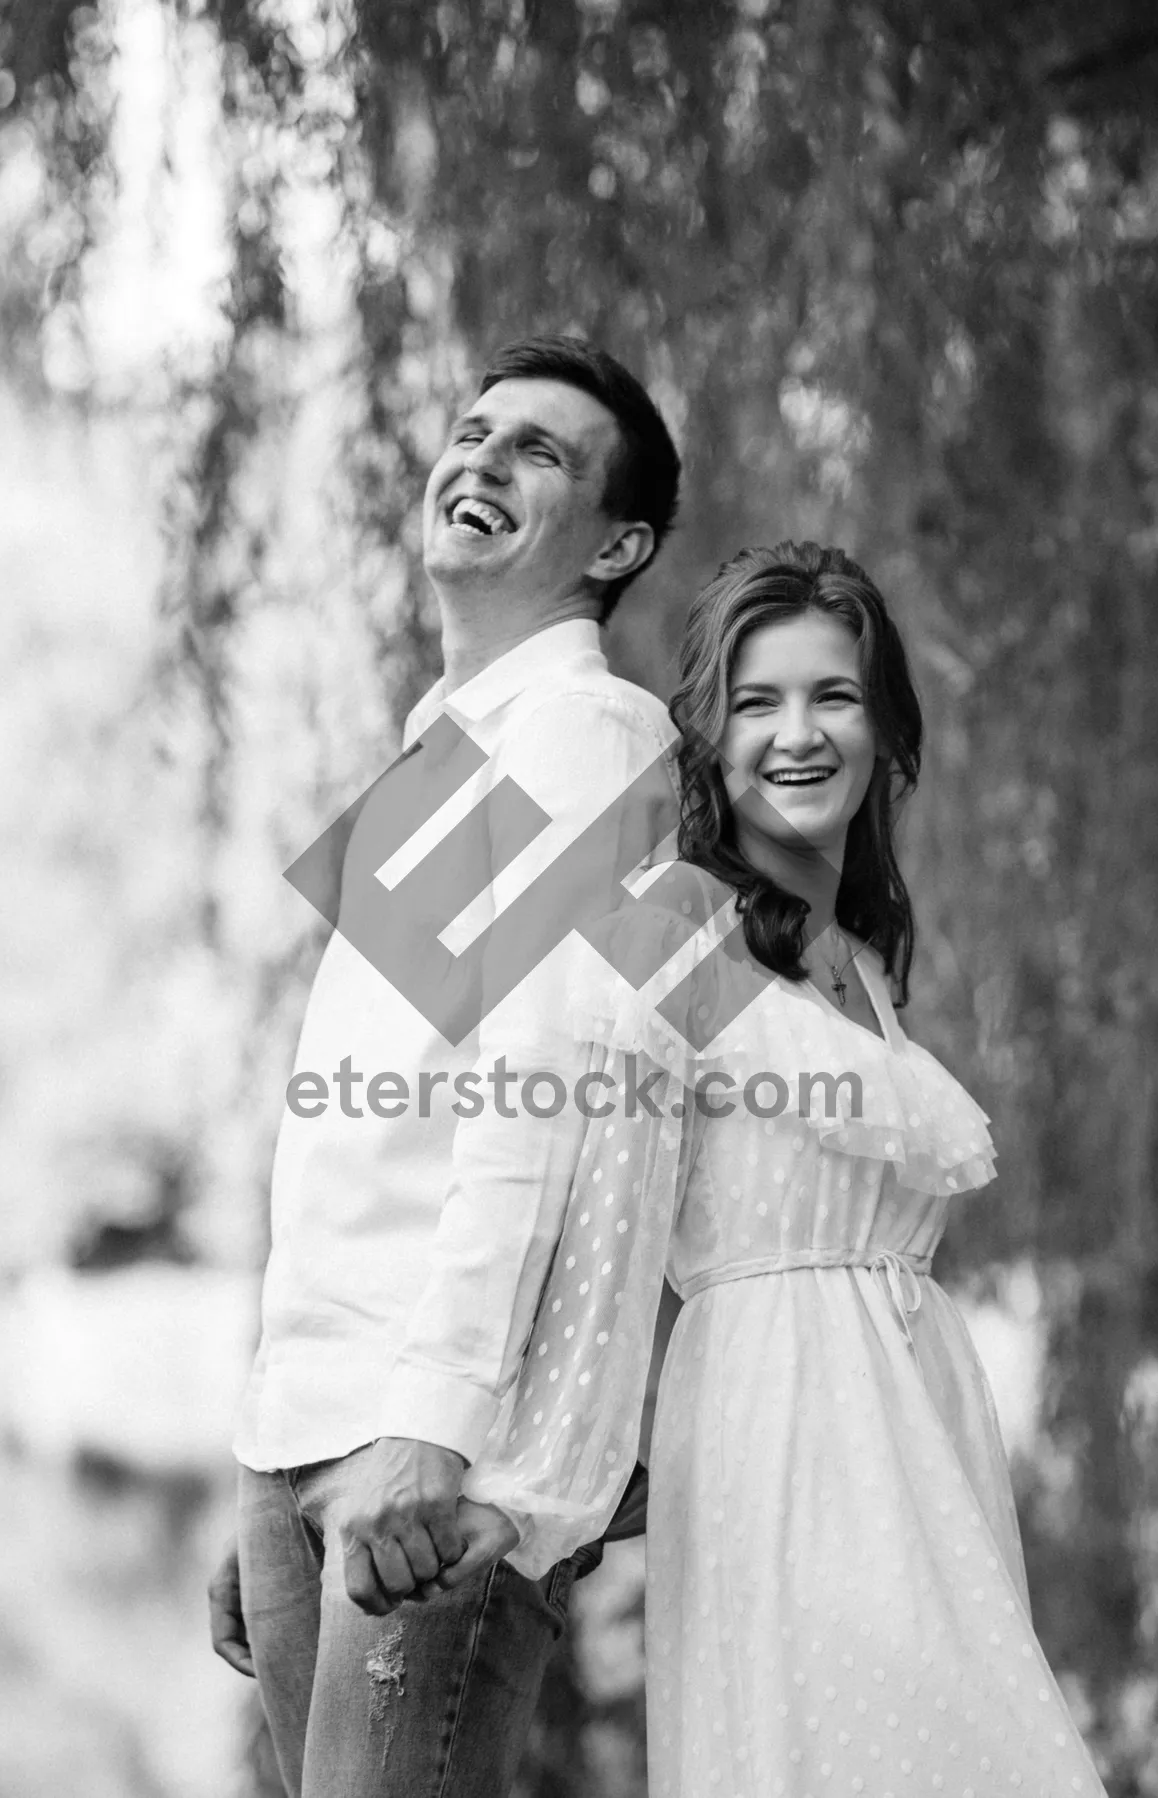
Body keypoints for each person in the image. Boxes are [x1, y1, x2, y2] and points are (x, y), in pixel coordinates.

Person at [414, 543, 1107, 1796]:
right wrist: (521, 1498)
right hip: (783, 1460)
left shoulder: (870, 962)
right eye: (756, 700)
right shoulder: (670, 924)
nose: (799, 732)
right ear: (707, 738)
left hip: (924, 1454)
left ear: (886, 726)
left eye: (833, 694)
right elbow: (610, 1251)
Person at [208, 334, 682, 1798]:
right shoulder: (441, 749)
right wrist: (267, 1460)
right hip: (319, 1423)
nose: (479, 457)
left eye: (538, 449)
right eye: (473, 431)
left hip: (424, 1445)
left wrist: (428, 1432)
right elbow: (360, 1151)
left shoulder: (589, 729)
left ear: (621, 542)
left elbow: (535, 1116)